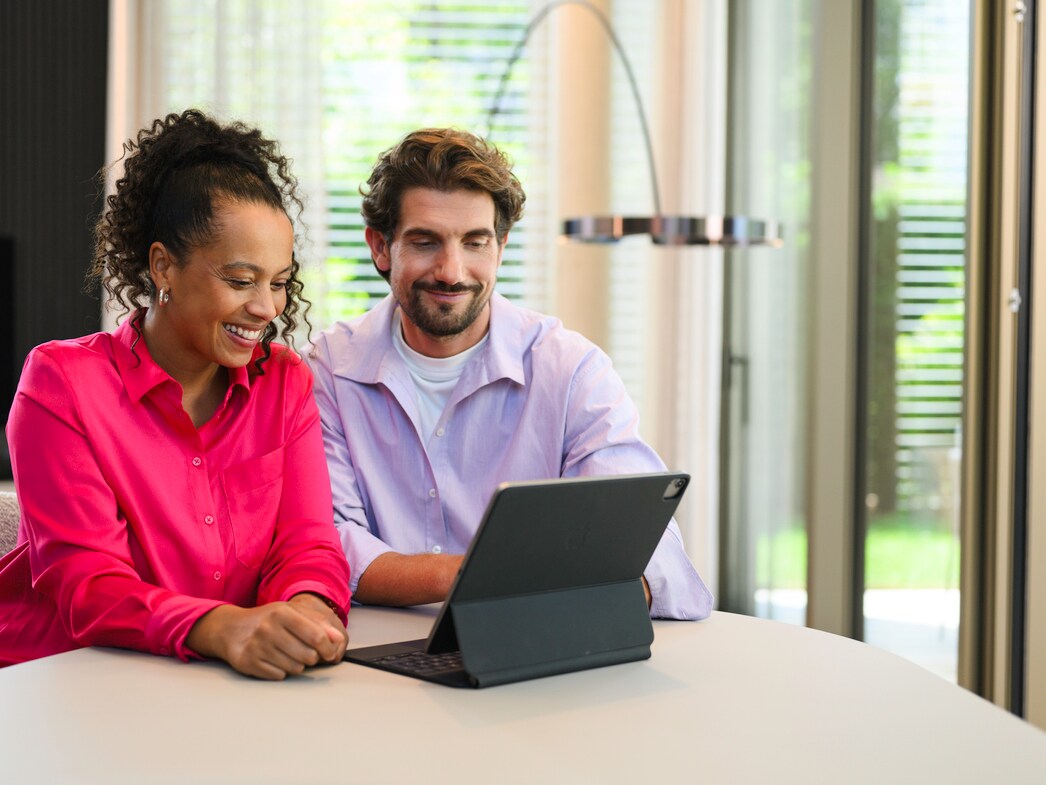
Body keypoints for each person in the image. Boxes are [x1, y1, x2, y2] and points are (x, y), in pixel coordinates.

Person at [307, 128, 713, 619]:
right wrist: (494, 577)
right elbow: (324, 541)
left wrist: (597, 586)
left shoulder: (570, 370)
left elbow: (648, 546)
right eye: (424, 242)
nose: (451, 271)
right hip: (375, 655)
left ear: (500, 247)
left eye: (474, 242)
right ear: (380, 247)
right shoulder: (328, 371)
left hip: (537, 650)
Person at [0, 109, 350, 679]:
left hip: (205, 682)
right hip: (55, 681)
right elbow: (88, 587)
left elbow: (308, 545)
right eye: (240, 281)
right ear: (163, 267)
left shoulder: (284, 382)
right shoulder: (62, 383)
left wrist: (305, 616)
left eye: (280, 282)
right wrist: (222, 628)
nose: (266, 307)